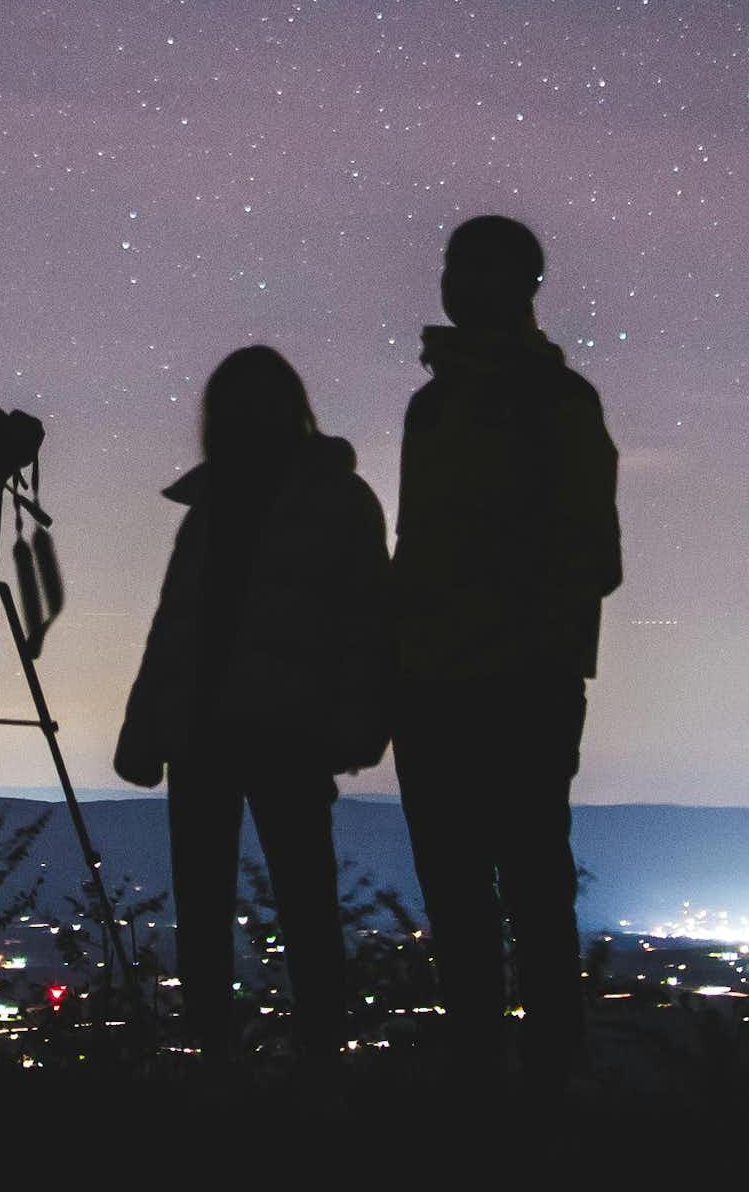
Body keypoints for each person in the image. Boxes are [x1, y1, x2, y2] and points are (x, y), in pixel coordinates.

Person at [391, 215, 621, 1087]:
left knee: (521, 888)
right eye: (454, 266)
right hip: (448, 682)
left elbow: (593, 555)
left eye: (475, 269)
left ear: (524, 284)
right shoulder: (437, 406)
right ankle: (493, 1081)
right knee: (475, 892)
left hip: (515, 681)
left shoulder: (555, 403)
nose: (456, 283)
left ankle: (536, 1083)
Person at [114, 345, 391, 1055]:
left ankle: (305, 1065)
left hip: (280, 731)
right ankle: (231, 1063)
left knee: (297, 904)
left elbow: (366, 621)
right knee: (227, 907)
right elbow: (175, 628)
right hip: (218, 731)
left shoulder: (328, 500)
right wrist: (146, 730)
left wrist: (357, 724)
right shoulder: (218, 507)